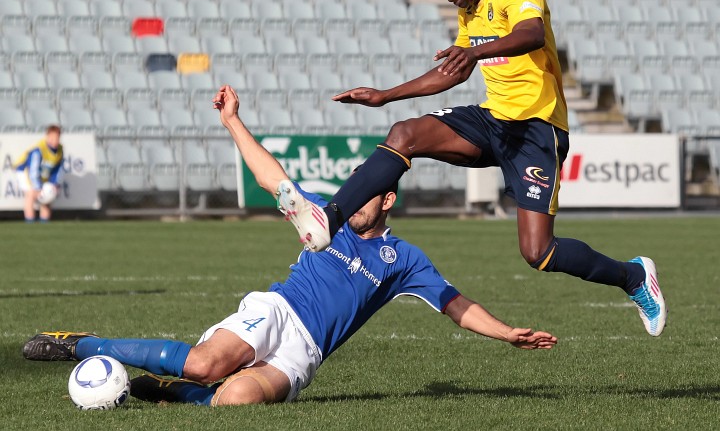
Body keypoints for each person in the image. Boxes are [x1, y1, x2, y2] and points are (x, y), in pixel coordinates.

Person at [23, 85, 557, 407]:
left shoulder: (404, 260)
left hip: (306, 352)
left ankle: (160, 393)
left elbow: (455, 306)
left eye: (368, 187)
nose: (355, 193)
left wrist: (506, 333)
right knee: (208, 365)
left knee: (234, 400)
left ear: (388, 196)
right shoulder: (327, 218)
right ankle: (84, 343)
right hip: (278, 311)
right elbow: (271, 177)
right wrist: (233, 121)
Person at [274, 0, 666, 337]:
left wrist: (478, 53)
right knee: (404, 134)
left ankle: (634, 277)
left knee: (539, 253)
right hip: (492, 120)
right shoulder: (470, 8)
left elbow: (531, 34)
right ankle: (329, 218)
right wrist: (386, 94)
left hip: (536, 130)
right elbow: (455, 71)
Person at [14, 125, 64, 223]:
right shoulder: (39, 149)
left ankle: (44, 223)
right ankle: (30, 222)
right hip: (25, 172)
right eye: (52, 138)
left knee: (48, 196)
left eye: (57, 138)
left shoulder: (60, 150)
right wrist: (37, 187)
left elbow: (57, 169)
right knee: (31, 194)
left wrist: (54, 184)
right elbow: (32, 170)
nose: (54, 141)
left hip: (42, 174)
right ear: (47, 137)